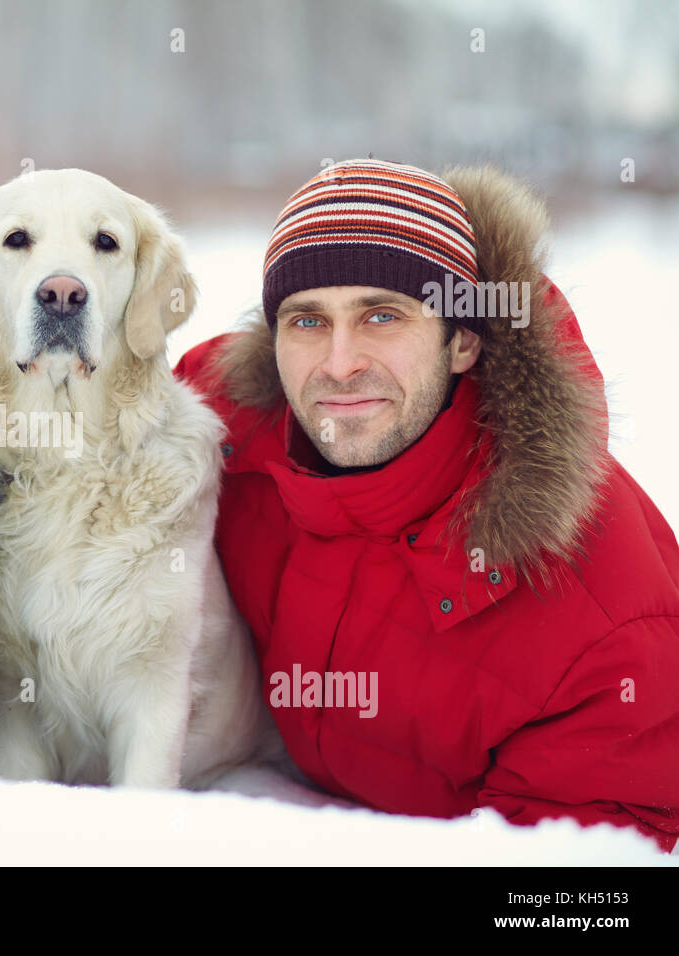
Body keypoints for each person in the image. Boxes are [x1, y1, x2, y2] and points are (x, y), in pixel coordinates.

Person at [172, 159, 679, 852]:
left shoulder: (605, 623)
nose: (340, 362)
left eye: (382, 315)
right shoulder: (221, 428)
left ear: (464, 339)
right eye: (307, 320)